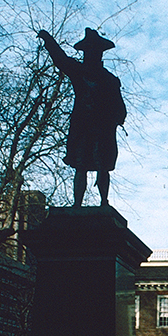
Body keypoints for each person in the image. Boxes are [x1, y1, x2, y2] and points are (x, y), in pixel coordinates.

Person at [37, 27, 125, 207]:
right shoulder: (79, 71)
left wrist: (113, 120)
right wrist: (48, 40)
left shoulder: (110, 80)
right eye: (87, 50)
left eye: (93, 50)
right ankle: (78, 203)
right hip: (83, 127)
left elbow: (120, 109)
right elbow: (60, 60)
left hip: (102, 129)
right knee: (81, 164)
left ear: (100, 53)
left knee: (102, 166)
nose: (89, 54)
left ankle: (103, 202)